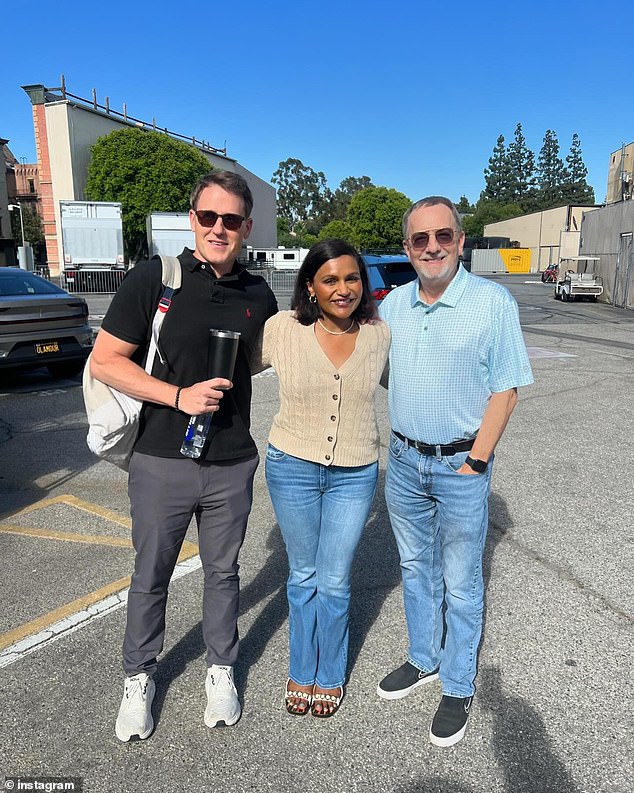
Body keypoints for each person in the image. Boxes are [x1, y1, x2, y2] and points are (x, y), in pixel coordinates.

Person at [90, 170, 278, 741]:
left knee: (223, 573)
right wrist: (178, 395)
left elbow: (267, 358)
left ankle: (221, 671)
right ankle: (138, 679)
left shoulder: (258, 292)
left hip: (232, 458)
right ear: (192, 219)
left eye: (232, 220)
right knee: (151, 575)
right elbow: (105, 361)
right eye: (208, 217)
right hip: (161, 458)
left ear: (247, 227)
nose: (219, 229)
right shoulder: (155, 279)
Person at [377, 196, 533, 747]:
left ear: (461, 241)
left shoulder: (492, 303)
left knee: (462, 584)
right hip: (403, 462)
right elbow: (383, 376)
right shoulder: (393, 306)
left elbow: (506, 389)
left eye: (443, 235)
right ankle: (423, 659)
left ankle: (458, 683)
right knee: (415, 568)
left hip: (461, 465)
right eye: (420, 239)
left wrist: (475, 463)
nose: (433, 247)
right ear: (408, 248)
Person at [257, 239, 390, 718]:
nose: (343, 289)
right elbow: (228, 364)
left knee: (334, 581)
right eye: (330, 280)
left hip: (355, 473)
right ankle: (300, 667)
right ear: (310, 286)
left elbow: (410, 383)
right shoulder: (282, 330)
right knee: (303, 575)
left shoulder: (379, 336)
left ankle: (328, 673)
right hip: (291, 465)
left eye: (351, 278)